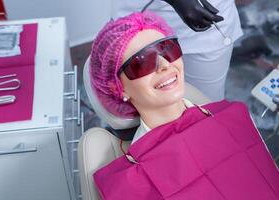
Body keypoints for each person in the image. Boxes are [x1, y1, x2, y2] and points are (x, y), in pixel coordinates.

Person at [89, 11, 279, 200]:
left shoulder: (235, 117)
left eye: (168, 49)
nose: (164, 64)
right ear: (118, 87)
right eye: (142, 62)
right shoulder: (131, 183)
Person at [111, 0, 243, 101]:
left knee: (206, 106)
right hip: (138, 23)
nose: (164, 66)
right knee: (140, 103)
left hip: (206, 28)